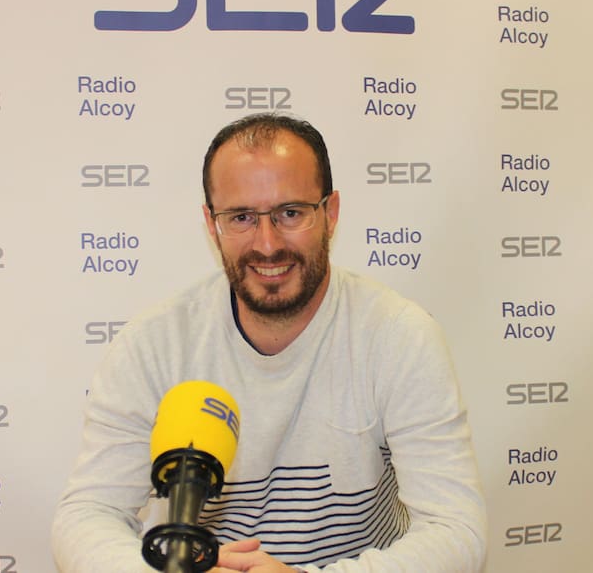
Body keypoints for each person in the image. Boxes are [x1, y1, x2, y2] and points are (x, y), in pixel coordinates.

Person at [52, 113, 486, 572]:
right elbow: (87, 514)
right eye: (241, 216)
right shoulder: (154, 345)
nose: (267, 243)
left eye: (291, 213)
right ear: (211, 222)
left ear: (331, 213)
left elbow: (456, 528)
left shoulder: (399, 335)